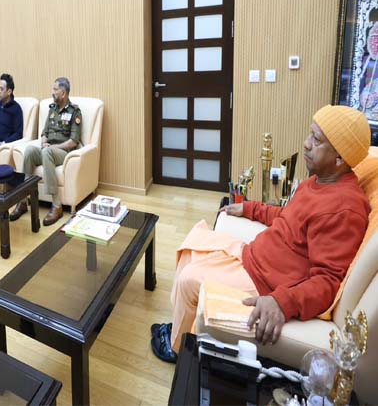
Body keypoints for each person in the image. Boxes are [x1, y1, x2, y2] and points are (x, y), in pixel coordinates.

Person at [150, 105, 371, 363]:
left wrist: (282, 302)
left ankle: (177, 348)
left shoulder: (345, 209)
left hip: (265, 281)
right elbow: (287, 215)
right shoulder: (318, 181)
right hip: (254, 255)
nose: (306, 143)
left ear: (339, 158)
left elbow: (328, 281)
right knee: (191, 247)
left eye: (316, 139)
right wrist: (249, 208)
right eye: (310, 134)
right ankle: (184, 326)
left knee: (189, 280)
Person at [9, 77, 82, 226]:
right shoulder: (52, 109)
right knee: (30, 150)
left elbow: (73, 141)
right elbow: (44, 132)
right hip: (48, 150)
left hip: (63, 152)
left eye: (55, 89)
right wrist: (43, 142)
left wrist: (53, 148)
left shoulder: (75, 112)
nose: (52, 92)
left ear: (63, 93)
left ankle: (57, 206)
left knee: (46, 152)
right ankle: (22, 201)